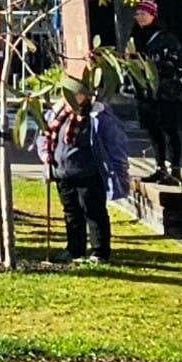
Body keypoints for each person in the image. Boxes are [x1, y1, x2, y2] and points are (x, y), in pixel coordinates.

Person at [51, 96, 114, 265]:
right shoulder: (59, 113)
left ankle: (99, 252)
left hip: (88, 174)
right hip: (63, 173)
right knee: (71, 213)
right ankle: (74, 249)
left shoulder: (95, 116)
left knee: (93, 212)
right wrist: (46, 156)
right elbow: (46, 135)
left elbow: (109, 142)